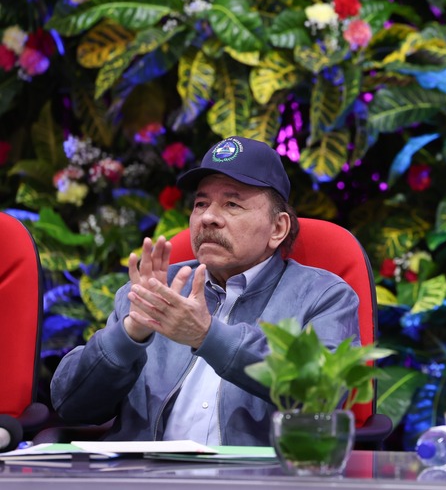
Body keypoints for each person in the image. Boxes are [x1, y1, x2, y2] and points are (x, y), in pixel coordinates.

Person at [50, 136, 360, 446]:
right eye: (201, 204)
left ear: (278, 228)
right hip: (143, 470)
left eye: (232, 204)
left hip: (255, 472)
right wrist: (129, 334)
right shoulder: (153, 290)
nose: (208, 217)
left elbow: (323, 394)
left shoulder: (324, 296)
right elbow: (71, 406)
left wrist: (207, 337)